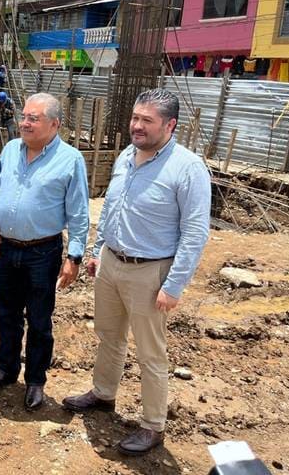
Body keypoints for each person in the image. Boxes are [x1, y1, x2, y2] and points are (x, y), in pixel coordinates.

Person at [61, 88, 211, 456]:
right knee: (108, 335)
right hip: (112, 262)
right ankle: (103, 393)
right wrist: (99, 251)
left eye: (147, 120)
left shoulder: (187, 168)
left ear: (170, 125)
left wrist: (173, 285)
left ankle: (152, 425)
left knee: (150, 353)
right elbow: (114, 209)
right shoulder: (127, 155)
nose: (137, 126)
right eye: (135, 118)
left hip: (151, 271)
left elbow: (195, 232)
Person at [0, 93, 89, 411]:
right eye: (23, 116)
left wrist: (74, 257)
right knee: (6, 314)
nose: (24, 123)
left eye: (33, 118)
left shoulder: (70, 160)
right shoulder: (11, 150)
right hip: (4, 248)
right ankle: (6, 369)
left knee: (39, 320)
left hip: (43, 253)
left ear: (54, 124)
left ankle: (36, 381)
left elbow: (79, 213)